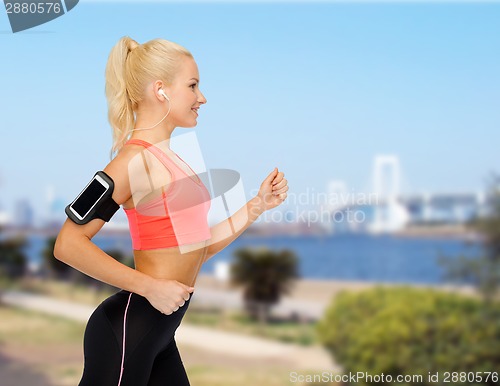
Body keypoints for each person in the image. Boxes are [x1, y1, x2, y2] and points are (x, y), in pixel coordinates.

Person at [53, 36, 288, 386]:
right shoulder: (133, 160)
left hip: (160, 334)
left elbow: (198, 250)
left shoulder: (177, 162)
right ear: (160, 90)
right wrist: (149, 287)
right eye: (193, 86)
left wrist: (257, 205)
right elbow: (68, 244)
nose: (202, 98)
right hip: (126, 333)